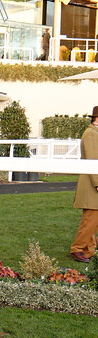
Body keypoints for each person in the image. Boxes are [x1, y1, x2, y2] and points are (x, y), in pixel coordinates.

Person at [70, 106, 98, 262]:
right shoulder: (91, 134)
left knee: (94, 220)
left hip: (93, 183)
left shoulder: (94, 133)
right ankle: (78, 248)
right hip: (91, 184)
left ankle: (88, 250)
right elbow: (93, 161)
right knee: (90, 219)